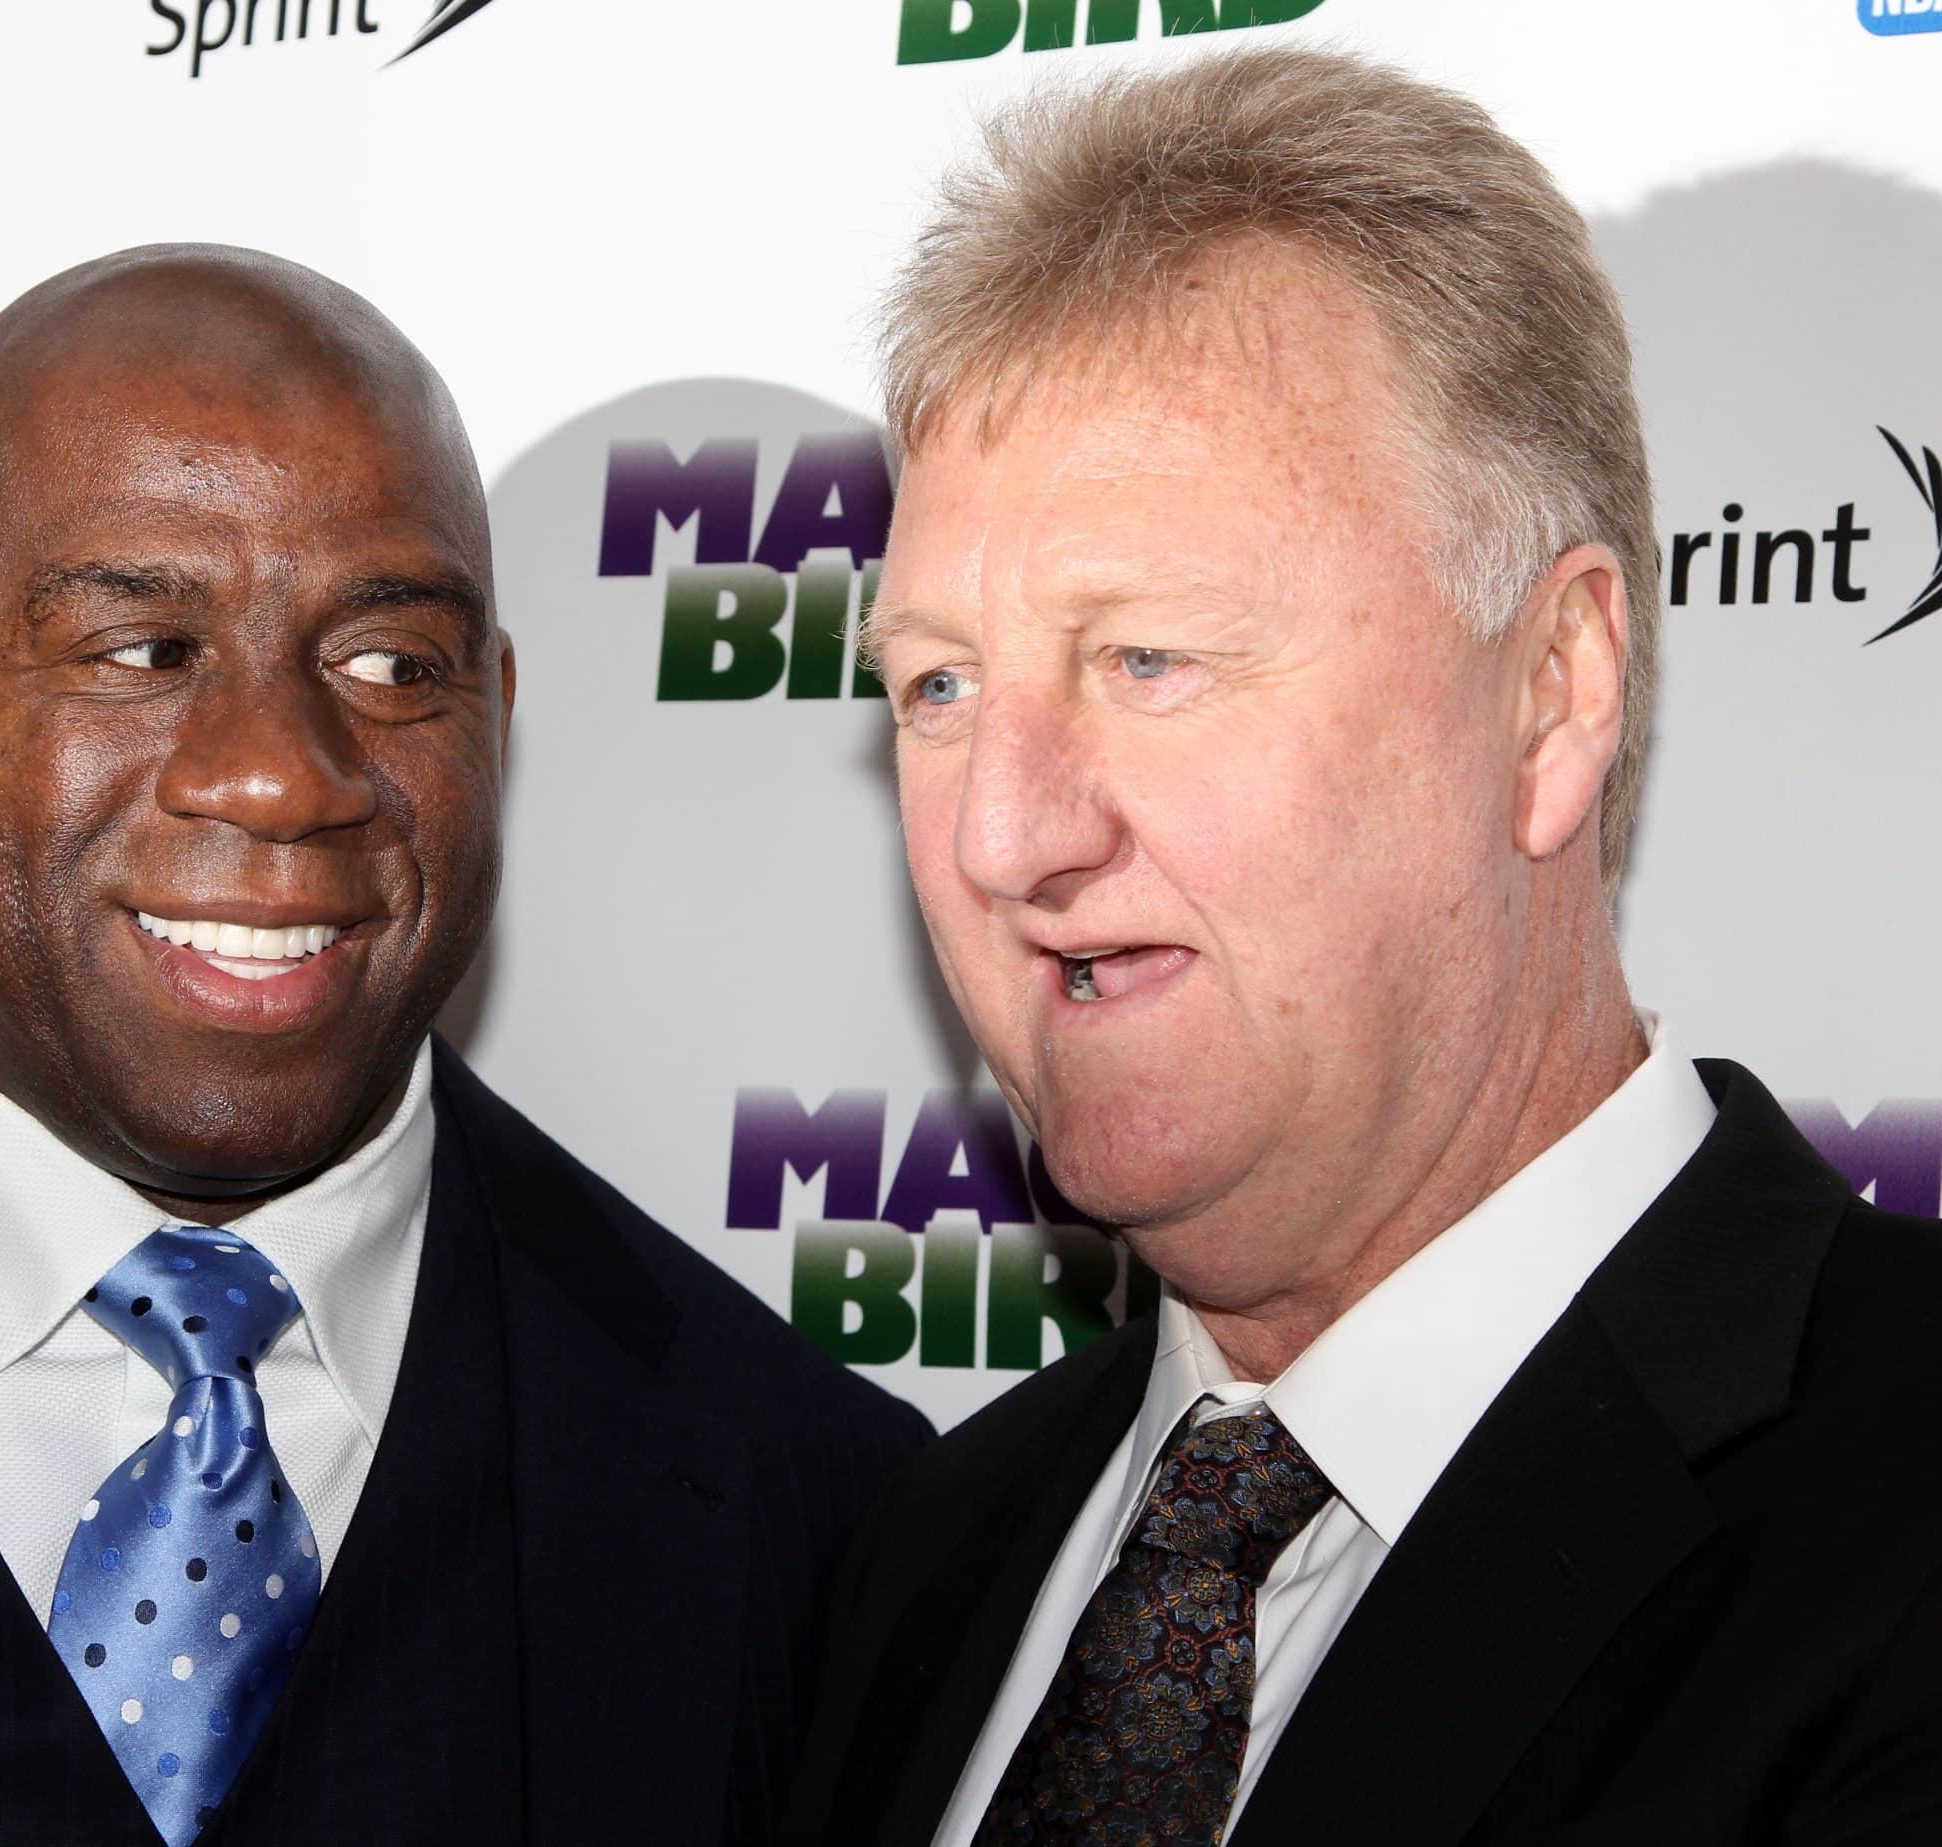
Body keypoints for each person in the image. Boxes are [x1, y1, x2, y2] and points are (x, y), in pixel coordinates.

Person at [0, 245, 927, 1847]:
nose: (277, 775)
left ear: (497, 716)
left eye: (392, 666)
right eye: (140, 652)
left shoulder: (806, 1503)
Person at [784, 48, 1942, 1847]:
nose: (1008, 835)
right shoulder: (933, 1550)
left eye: (1149, 658)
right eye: (939, 686)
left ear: (1553, 697)